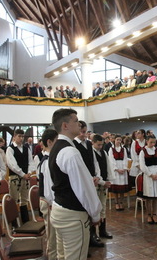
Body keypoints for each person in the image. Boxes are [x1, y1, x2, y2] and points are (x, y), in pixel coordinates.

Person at [49, 108, 101, 260]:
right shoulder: (70, 152)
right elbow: (83, 188)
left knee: (62, 256)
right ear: (65, 126)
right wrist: (95, 213)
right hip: (72, 215)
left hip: (59, 209)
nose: (79, 124)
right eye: (76, 121)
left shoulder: (57, 147)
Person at [73, 121, 103, 248]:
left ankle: (93, 237)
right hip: (82, 182)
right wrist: (88, 179)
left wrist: (97, 176)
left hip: (92, 180)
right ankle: (84, 241)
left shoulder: (89, 145)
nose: (83, 134)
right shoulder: (73, 145)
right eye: (81, 132)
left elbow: (95, 162)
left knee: (92, 211)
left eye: (85, 132)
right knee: (83, 211)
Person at [37, 128, 59, 260]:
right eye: (57, 141)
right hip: (49, 202)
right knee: (52, 235)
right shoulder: (46, 161)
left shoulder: (50, 158)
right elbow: (49, 186)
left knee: (55, 234)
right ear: (50, 142)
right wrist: (53, 203)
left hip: (51, 202)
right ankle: (52, 257)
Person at [6, 129, 36, 224]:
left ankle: (25, 221)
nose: (21, 138)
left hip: (26, 177)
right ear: (14, 137)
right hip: (15, 177)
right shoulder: (10, 149)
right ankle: (14, 223)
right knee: (14, 200)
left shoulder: (26, 149)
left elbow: (31, 162)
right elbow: (12, 164)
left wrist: (29, 172)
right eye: (19, 136)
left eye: (22, 136)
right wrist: (23, 174)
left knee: (24, 199)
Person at [92, 134, 114, 240]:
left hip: (104, 181)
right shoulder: (91, 153)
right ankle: (93, 233)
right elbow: (95, 170)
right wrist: (101, 182)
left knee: (103, 207)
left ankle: (102, 230)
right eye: (98, 145)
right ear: (93, 142)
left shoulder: (104, 152)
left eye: (102, 144)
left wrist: (109, 180)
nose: (100, 147)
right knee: (95, 208)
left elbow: (108, 166)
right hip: (96, 184)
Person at [139, 135, 157, 225]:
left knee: (156, 198)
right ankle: (149, 214)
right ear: (147, 141)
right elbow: (142, 165)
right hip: (148, 175)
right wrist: (150, 174)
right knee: (149, 197)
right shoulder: (143, 151)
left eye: (154, 142)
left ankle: (155, 214)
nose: (152, 144)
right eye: (151, 142)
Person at [108, 134, 129, 211]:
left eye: (120, 140)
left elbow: (125, 159)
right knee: (116, 188)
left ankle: (121, 202)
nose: (118, 141)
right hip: (115, 170)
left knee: (122, 188)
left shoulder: (123, 149)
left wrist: (124, 168)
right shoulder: (111, 149)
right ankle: (116, 203)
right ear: (114, 140)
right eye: (117, 140)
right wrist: (116, 169)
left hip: (122, 169)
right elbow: (111, 160)